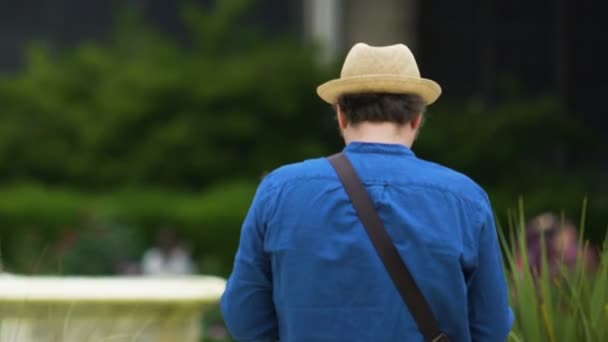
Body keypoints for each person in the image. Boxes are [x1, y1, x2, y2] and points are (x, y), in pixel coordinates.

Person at [221, 43, 514, 341]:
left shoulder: (279, 190)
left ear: (341, 115)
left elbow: (244, 314)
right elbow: (491, 326)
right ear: (416, 119)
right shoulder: (465, 198)